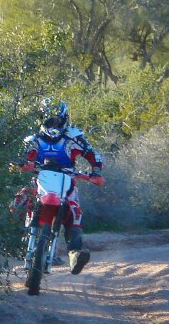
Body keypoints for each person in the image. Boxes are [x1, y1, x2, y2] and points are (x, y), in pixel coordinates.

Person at [12, 98, 103, 275]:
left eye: (57, 120)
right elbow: (24, 157)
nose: (53, 124)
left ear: (63, 120)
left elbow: (93, 155)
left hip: (66, 181)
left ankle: (75, 255)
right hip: (40, 179)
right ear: (42, 120)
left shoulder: (73, 137)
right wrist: (22, 164)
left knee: (75, 213)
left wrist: (96, 171)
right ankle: (11, 240)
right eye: (49, 120)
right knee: (18, 201)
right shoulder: (34, 140)